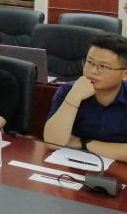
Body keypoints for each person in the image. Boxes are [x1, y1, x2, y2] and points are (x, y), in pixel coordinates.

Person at [44, 33, 127, 162]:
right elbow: (52, 142)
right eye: (89, 62)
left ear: (125, 74)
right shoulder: (69, 90)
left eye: (103, 66)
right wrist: (73, 98)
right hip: (72, 164)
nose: (92, 71)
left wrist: (83, 143)